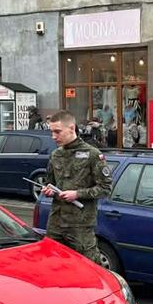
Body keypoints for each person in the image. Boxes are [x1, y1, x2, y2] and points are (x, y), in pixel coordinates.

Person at [42, 110, 111, 262]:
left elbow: (105, 188)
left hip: (80, 225)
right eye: (51, 132)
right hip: (56, 222)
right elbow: (50, 183)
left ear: (71, 128)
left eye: (57, 132)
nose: (53, 137)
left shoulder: (92, 154)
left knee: (88, 266)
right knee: (52, 264)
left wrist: (77, 194)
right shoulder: (56, 155)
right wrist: (48, 190)